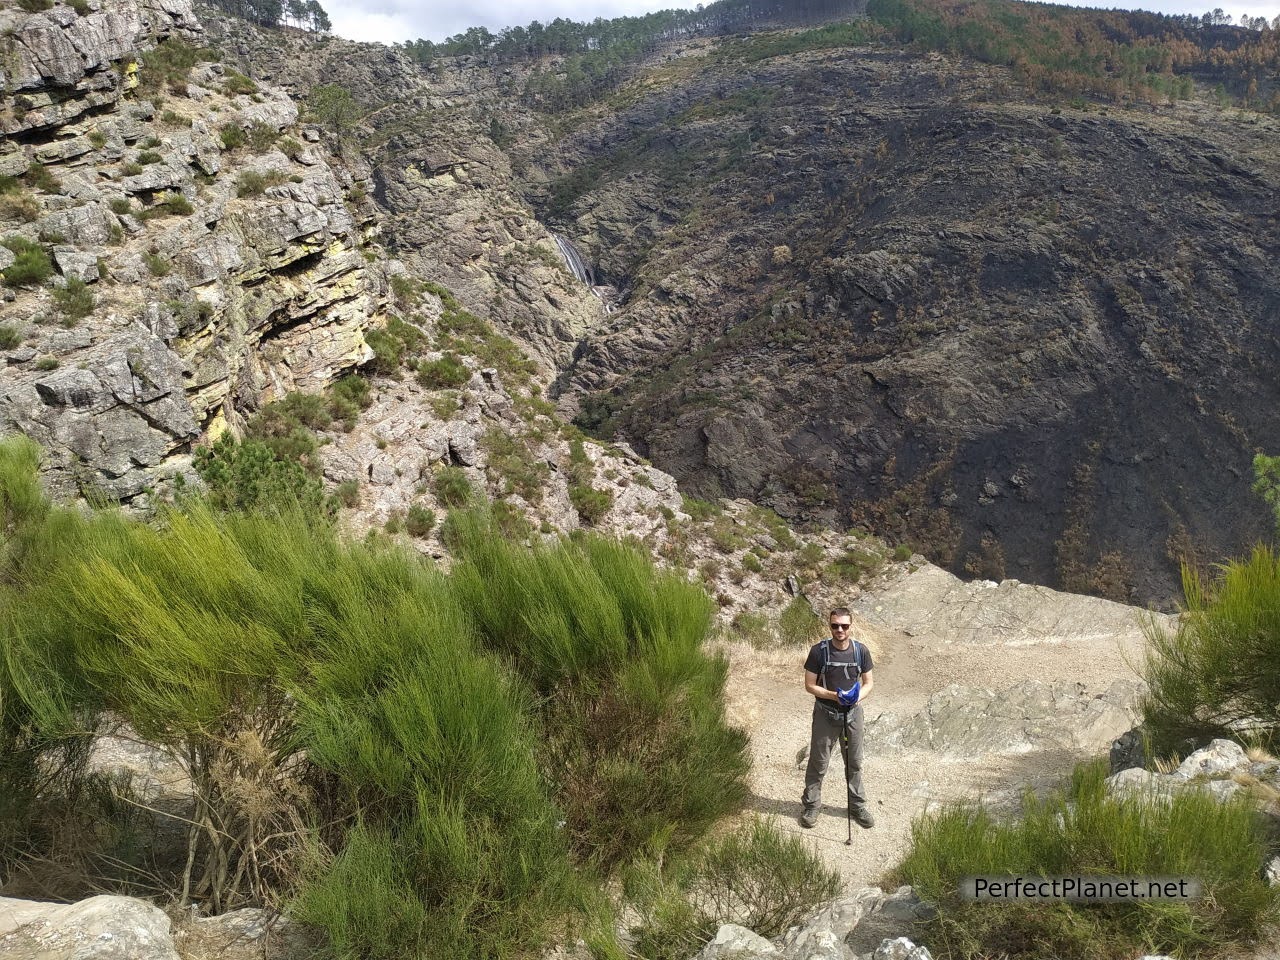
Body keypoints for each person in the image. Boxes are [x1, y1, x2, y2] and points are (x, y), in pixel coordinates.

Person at [799, 608, 874, 829]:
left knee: (855, 761)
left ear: (851, 626)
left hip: (853, 715)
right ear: (830, 625)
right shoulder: (818, 652)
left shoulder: (861, 651)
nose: (839, 630)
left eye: (844, 626)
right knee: (818, 761)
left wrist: (855, 697)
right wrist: (835, 696)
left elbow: (869, 682)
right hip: (825, 713)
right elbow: (809, 685)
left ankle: (857, 805)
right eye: (835, 625)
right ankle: (812, 805)